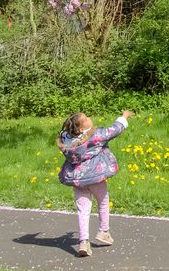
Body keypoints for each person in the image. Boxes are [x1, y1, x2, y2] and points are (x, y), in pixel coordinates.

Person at [56, 110, 133, 257]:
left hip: (78, 179)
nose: (89, 118)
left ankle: (83, 242)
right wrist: (124, 117)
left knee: (82, 210)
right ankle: (103, 232)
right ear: (81, 128)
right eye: (86, 118)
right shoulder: (96, 136)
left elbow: (65, 134)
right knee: (103, 202)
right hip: (95, 177)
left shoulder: (66, 140)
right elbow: (114, 129)